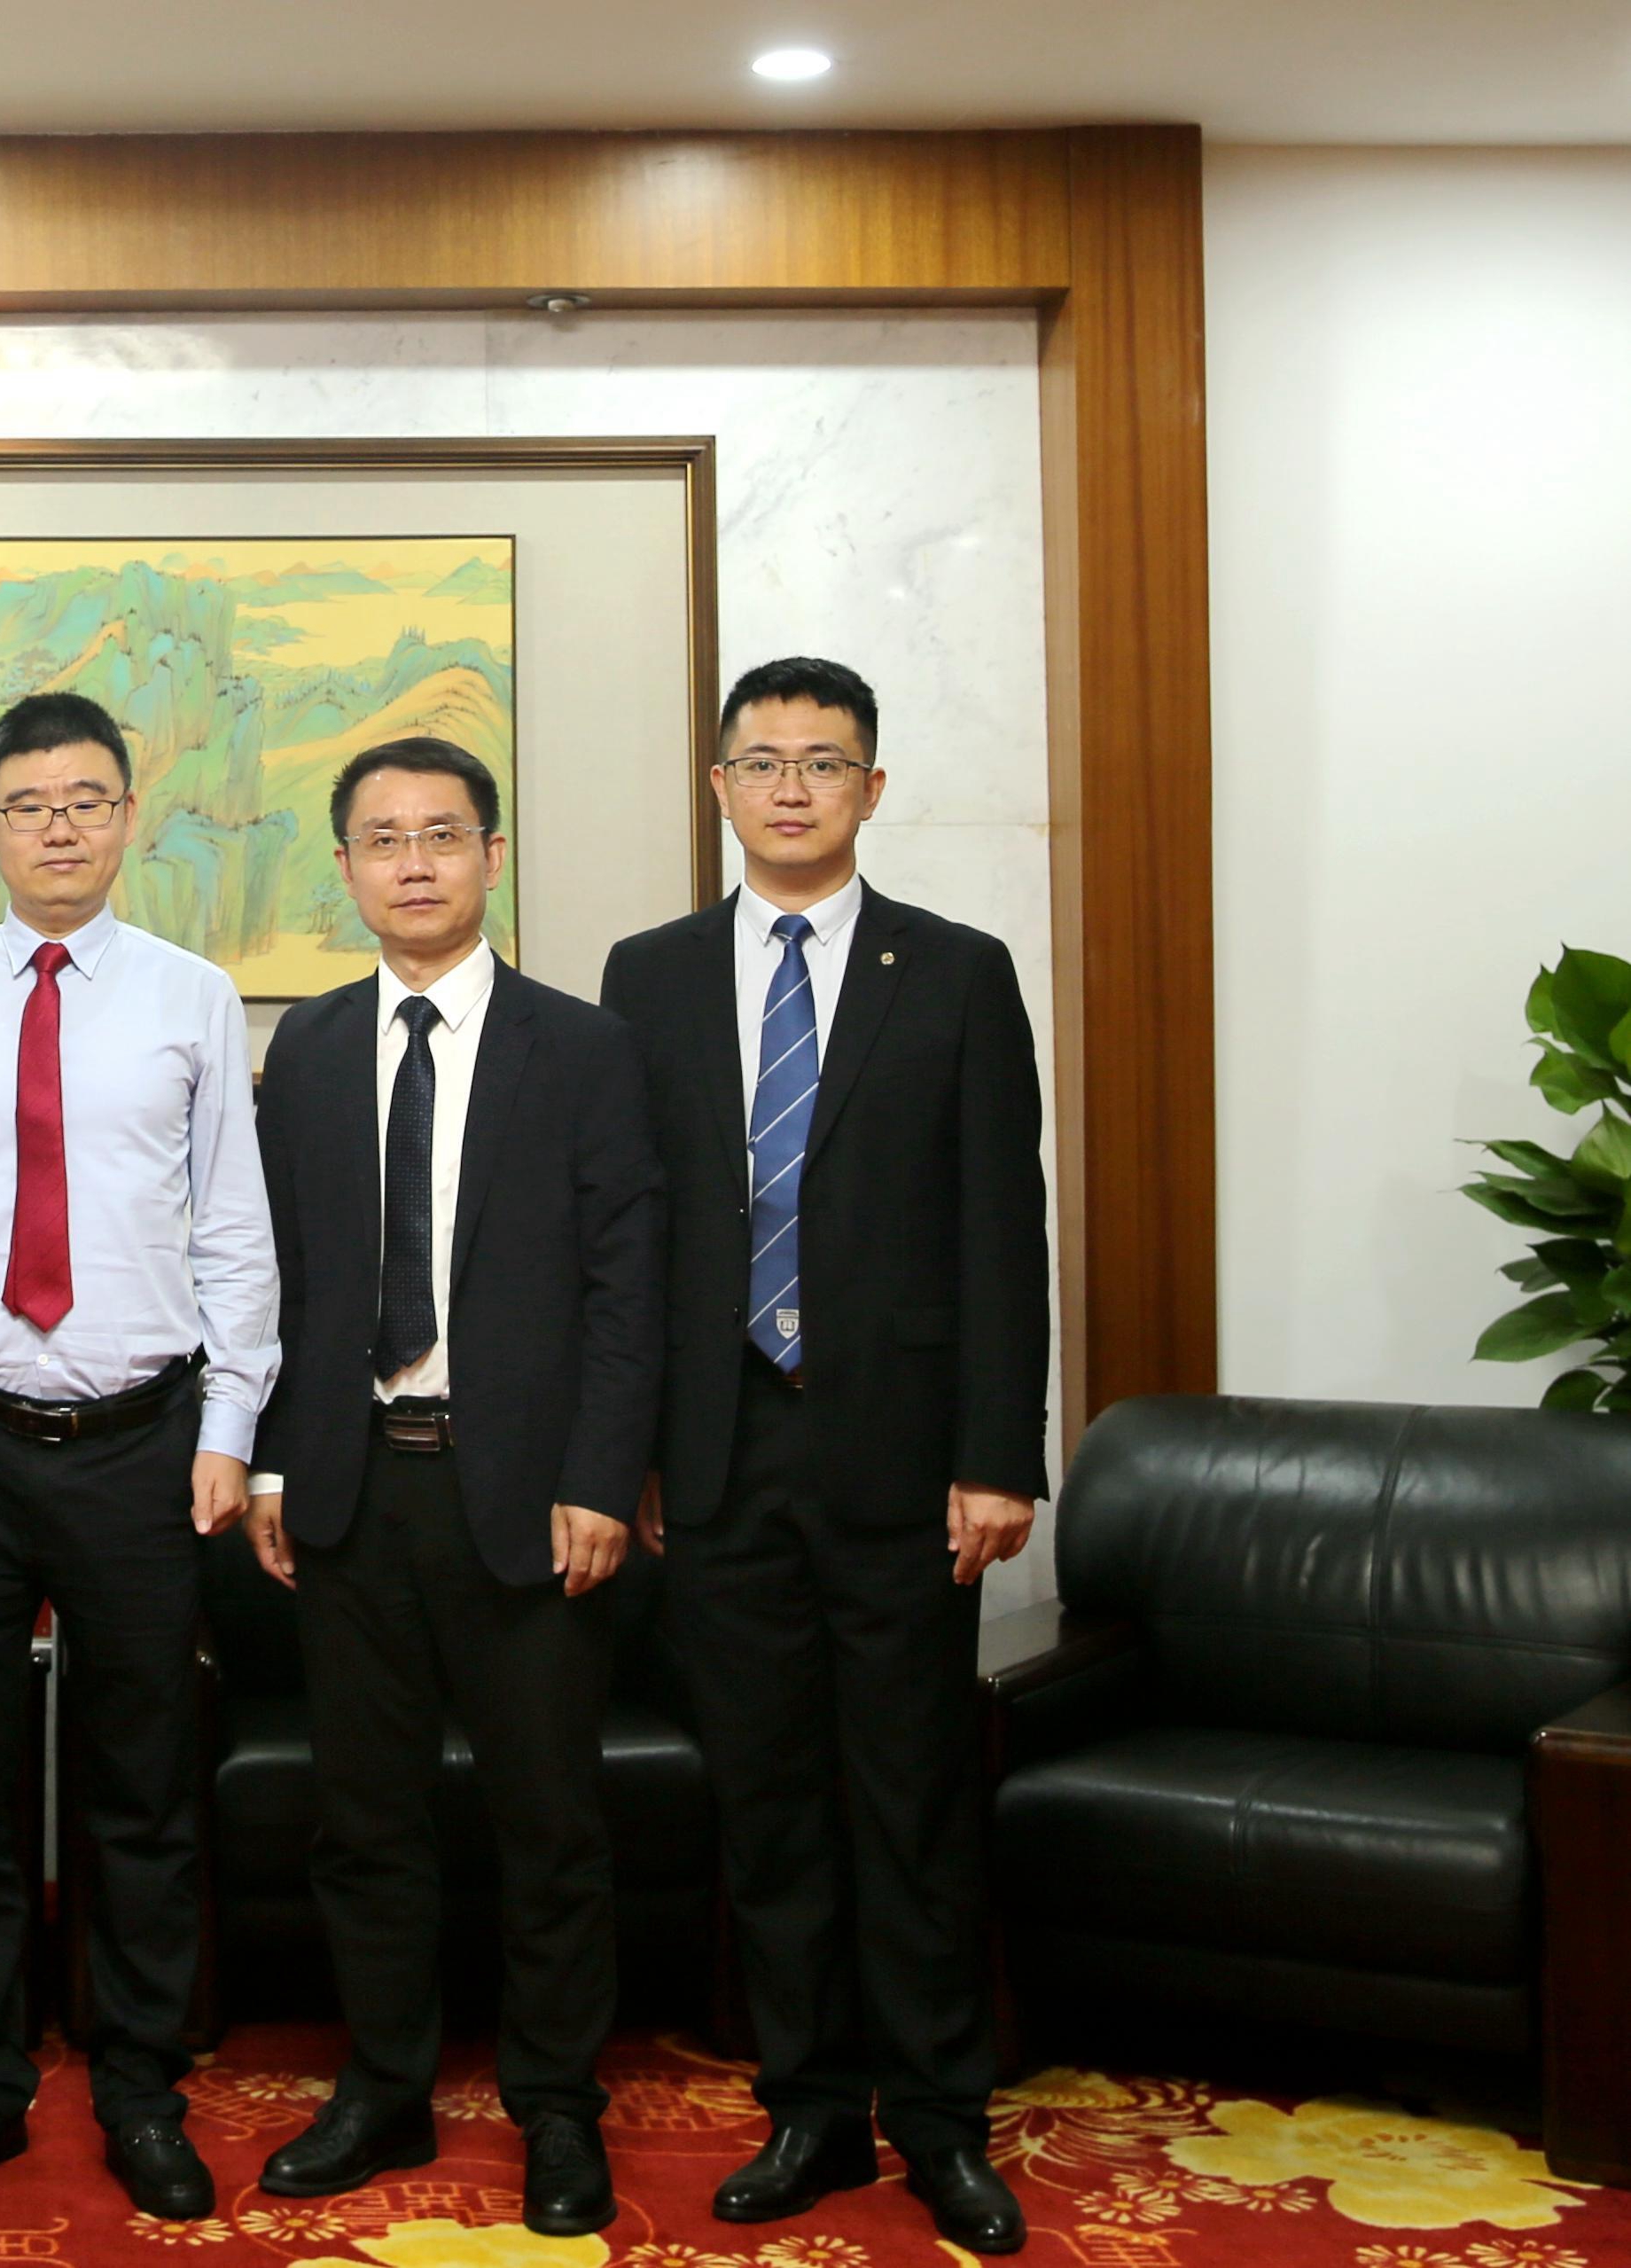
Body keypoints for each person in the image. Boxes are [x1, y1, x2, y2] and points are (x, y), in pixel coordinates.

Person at [600, 657, 1046, 2256]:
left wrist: (998, 1455)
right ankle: (810, 2110)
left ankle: (939, 2120)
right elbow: (635, 1230)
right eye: (764, 760)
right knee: (771, 1802)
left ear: (873, 787)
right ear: (720, 784)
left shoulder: (959, 970)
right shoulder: (649, 975)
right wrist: (638, 1447)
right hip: (719, 1450)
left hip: (905, 1459)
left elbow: (1004, 1225)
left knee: (911, 1797)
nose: (792, 787)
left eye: (825, 761)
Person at [0, 691, 279, 2224]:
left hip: (142, 1442)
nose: (60, 828)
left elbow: (234, 1231)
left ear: (129, 815)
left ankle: (142, 2083)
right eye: (29, 805)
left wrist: (229, 1428)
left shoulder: (193, 997)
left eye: (88, 800)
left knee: (141, 1784)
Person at [239, 738, 663, 2237]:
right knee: (365, 1820)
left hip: (530, 1494)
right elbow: (281, 1274)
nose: (413, 862)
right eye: (382, 838)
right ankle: (385, 2085)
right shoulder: (307, 1048)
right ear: (345, 867)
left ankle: (556, 2105)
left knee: (550, 1821)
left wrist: (602, 1474)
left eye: (441, 833)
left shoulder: (582, 1047)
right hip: (355, 1483)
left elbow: (628, 1282)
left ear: (491, 854)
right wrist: (276, 1454)